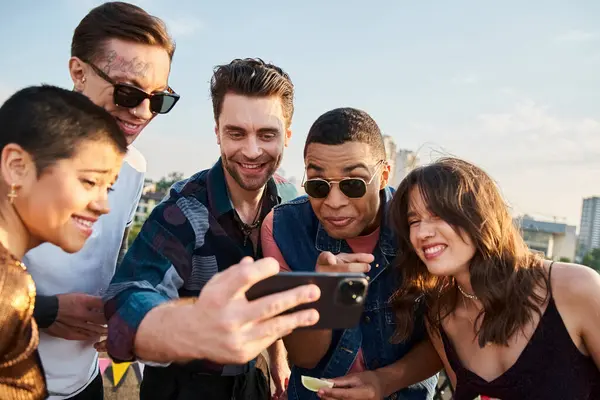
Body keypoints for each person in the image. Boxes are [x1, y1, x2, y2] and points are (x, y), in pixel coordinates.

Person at [104, 57, 316, 399]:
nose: (252, 151)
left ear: (287, 136)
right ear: (217, 132)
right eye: (236, 133)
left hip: (251, 380)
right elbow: (127, 296)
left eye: (267, 134)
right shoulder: (183, 211)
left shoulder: (289, 202)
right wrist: (191, 325)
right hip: (183, 386)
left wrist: (278, 355)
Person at [22, 2, 179, 399]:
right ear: (78, 73)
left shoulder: (134, 170)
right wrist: (43, 311)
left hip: (85, 383)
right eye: (127, 92)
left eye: (158, 100)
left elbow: (111, 266)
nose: (141, 113)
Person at [261, 107, 440, 400]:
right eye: (318, 185)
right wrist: (325, 296)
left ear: (383, 175)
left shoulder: (420, 225)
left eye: (353, 184)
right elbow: (305, 358)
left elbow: (447, 338)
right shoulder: (282, 228)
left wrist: (383, 382)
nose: (333, 202)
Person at [389, 157, 600, 399]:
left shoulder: (574, 287)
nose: (422, 233)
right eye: (413, 221)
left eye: (438, 214)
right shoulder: (440, 315)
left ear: (477, 215)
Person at [0, 85, 127, 400]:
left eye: (108, 188)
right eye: (89, 181)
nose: (103, 206)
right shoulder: (8, 288)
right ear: (17, 166)